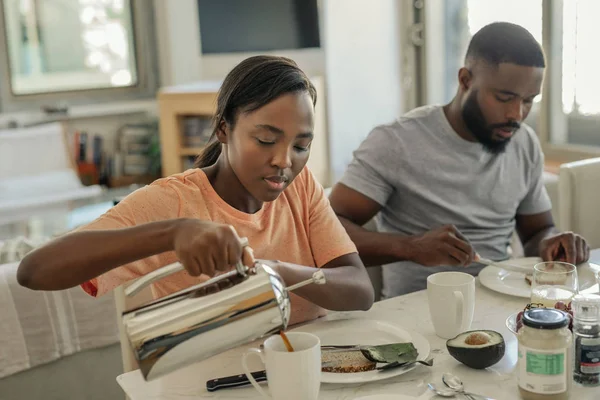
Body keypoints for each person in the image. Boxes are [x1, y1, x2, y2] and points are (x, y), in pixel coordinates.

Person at [17, 55, 374, 325]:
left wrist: (274, 272)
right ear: (223, 129)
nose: (285, 161)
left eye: (300, 146)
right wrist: (173, 233)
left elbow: (359, 289)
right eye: (266, 140)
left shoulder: (301, 186)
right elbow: (34, 270)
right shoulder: (173, 202)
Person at [329, 22, 590, 298]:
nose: (517, 114)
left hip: (501, 305)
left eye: (528, 100)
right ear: (465, 80)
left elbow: (536, 232)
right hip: (416, 312)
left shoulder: (524, 143)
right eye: (504, 98)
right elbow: (326, 232)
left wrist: (552, 242)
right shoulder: (397, 142)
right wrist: (410, 246)